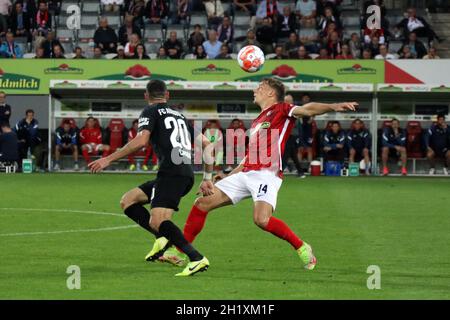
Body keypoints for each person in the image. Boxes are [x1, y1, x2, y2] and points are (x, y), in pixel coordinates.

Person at [158, 78, 357, 269]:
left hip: (267, 174)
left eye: (260, 87)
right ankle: (181, 252)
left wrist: (333, 106)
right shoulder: (257, 121)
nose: (255, 90)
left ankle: (301, 246)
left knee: (261, 220)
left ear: (271, 92)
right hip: (246, 173)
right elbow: (249, 156)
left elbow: (308, 109)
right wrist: (228, 175)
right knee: (202, 203)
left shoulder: (283, 109)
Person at [88, 79, 214, 277]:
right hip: (182, 173)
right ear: (167, 95)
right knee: (128, 200)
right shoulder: (180, 116)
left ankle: (196, 258)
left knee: (158, 221)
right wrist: (207, 177)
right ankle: (162, 240)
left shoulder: (150, 111)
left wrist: (108, 159)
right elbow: (208, 144)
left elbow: (141, 140)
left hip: (172, 174)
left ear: (146, 96)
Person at [282, 94, 305, 177]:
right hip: (286, 135)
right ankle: (300, 172)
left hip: (291, 135)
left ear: (290, 101)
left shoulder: (294, 109)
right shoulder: (285, 108)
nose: (285, 102)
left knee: (285, 154)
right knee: (292, 154)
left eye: (287, 100)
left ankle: (280, 171)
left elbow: (297, 124)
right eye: (285, 100)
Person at [297, 94, 314, 164]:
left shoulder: (312, 107)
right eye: (304, 98)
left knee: (309, 149)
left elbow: (313, 115)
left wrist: (311, 118)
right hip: (300, 131)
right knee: (300, 149)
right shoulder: (299, 107)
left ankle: (310, 166)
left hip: (308, 131)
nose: (306, 99)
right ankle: (299, 168)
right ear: (302, 99)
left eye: (307, 98)